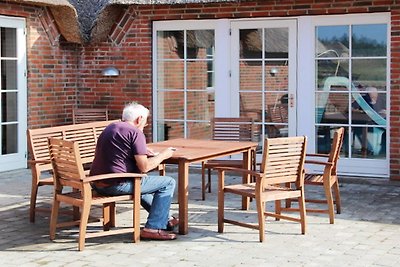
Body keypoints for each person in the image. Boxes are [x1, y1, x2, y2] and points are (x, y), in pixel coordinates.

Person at [90, 102, 178, 240]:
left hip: (97, 182)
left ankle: (165, 219)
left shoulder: (111, 127)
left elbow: (119, 153)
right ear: (139, 119)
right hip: (116, 185)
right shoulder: (135, 132)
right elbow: (144, 167)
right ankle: (153, 228)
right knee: (168, 182)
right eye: (146, 121)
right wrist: (163, 155)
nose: (146, 125)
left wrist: (142, 151)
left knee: (143, 185)